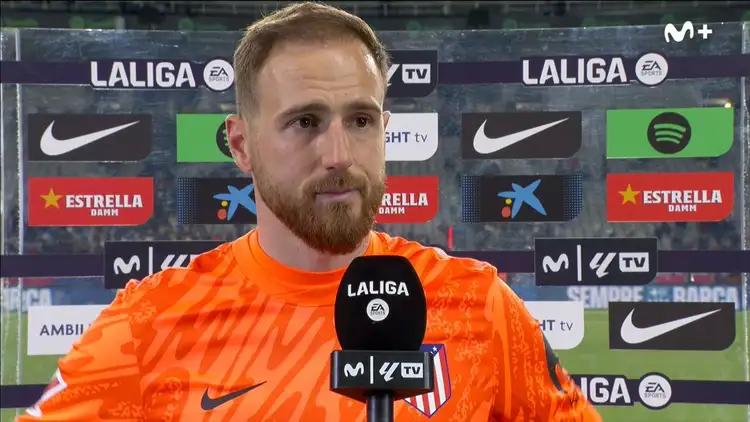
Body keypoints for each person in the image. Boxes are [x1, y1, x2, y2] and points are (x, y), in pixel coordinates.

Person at [19, 2, 600, 421]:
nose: (339, 154)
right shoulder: (148, 325)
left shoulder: (480, 304)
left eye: (361, 120)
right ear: (241, 145)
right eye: (305, 122)